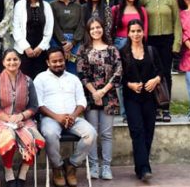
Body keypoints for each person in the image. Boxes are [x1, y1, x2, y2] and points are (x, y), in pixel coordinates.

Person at [34, 47, 97, 187]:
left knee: (91, 134)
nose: (58, 64)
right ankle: (57, 167)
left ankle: (71, 165)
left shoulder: (73, 79)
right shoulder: (40, 78)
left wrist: (73, 116)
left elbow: (82, 101)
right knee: (49, 134)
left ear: (65, 60)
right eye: (54, 61)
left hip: (73, 118)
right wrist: (57, 117)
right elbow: (38, 104)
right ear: (47, 62)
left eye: (60, 60)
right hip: (50, 118)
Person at [0, 49, 43, 187]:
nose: (12, 62)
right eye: (9, 60)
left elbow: (34, 106)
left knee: (37, 139)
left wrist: (21, 116)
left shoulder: (28, 81)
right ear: (3, 62)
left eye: (15, 59)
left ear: (20, 61)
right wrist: (8, 118)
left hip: (23, 118)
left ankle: (23, 172)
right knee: (9, 137)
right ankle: (8, 171)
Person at [76, 18, 122, 181]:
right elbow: (81, 73)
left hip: (108, 96)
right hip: (89, 96)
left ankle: (106, 167)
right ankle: (94, 165)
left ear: (103, 29)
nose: (96, 30)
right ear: (88, 31)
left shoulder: (112, 50)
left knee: (107, 134)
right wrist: (94, 93)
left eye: (98, 27)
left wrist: (102, 92)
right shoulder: (83, 50)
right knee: (93, 133)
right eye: (93, 28)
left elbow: (118, 72)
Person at [120, 20, 162, 181]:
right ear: (128, 33)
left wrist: (156, 80)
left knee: (148, 132)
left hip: (150, 98)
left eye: (138, 31)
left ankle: (140, 167)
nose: (136, 34)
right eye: (133, 31)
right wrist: (129, 84)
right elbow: (119, 77)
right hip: (132, 99)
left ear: (143, 32)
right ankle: (145, 168)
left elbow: (161, 71)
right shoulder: (123, 52)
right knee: (137, 131)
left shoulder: (151, 50)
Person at [140, 0, 182, 122]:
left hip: (167, 40)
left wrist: (177, 44)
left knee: (165, 74)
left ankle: (165, 108)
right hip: (149, 41)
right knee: (151, 74)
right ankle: (153, 108)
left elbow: (177, 22)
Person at [13, 0, 54, 79]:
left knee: (41, 78)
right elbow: (16, 27)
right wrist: (26, 47)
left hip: (41, 49)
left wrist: (40, 47)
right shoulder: (19, 5)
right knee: (24, 79)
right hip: (24, 50)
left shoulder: (46, 5)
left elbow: (49, 28)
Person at [50, 0, 85, 75]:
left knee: (74, 69)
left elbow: (81, 25)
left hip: (75, 41)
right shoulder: (52, 5)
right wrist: (64, 44)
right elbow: (54, 25)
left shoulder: (79, 6)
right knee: (58, 68)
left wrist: (72, 43)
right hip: (57, 41)